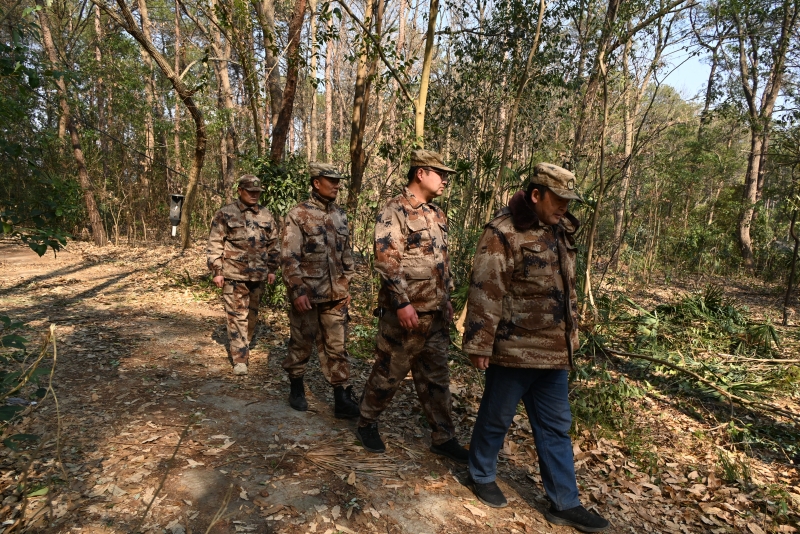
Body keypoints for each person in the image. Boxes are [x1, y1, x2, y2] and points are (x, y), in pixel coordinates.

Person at [462, 163, 609, 532]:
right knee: (496, 417)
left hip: (554, 351)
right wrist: (480, 342)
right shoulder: (504, 231)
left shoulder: (560, 231)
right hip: (515, 347)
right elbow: (485, 288)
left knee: (557, 427)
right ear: (536, 195)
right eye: (558, 199)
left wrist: (572, 339)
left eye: (568, 200)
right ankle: (480, 474)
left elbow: (567, 292)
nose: (564, 206)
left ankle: (564, 501)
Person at [356, 149, 468, 464]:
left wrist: (446, 301)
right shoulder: (395, 210)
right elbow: (386, 261)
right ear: (421, 173)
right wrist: (403, 303)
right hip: (405, 314)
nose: (445, 179)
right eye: (440, 173)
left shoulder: (437, 214)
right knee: (389, 371)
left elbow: (440, 264)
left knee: (436, 378)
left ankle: (443, 437)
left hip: (435, 314)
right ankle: (367, 421)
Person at [280, 163, 360, 419]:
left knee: (337, 347)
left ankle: (342, 398)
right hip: (308, 295)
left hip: (336, 295)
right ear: (317, 183)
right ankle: (296, 387)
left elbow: (347, 254)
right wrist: (297, 290)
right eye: (332, 181)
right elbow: (289, 256)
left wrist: (347, 283)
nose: (337, 185)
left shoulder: (340, 215)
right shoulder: (298, 215)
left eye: (338, 181)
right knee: (301, 343)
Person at [207, 174, 279, 376]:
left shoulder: (266, 215)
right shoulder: (225, 213)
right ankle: (240, 358)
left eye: (258, 192)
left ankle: (243, 344)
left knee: (252, 315)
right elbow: (215, 243)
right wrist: (217, 270)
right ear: (240, 191)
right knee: (237, 316)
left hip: (259, 275)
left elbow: (274, 244)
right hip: (233, 274)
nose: (255, 195)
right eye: (250, 192)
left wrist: (273, 269)